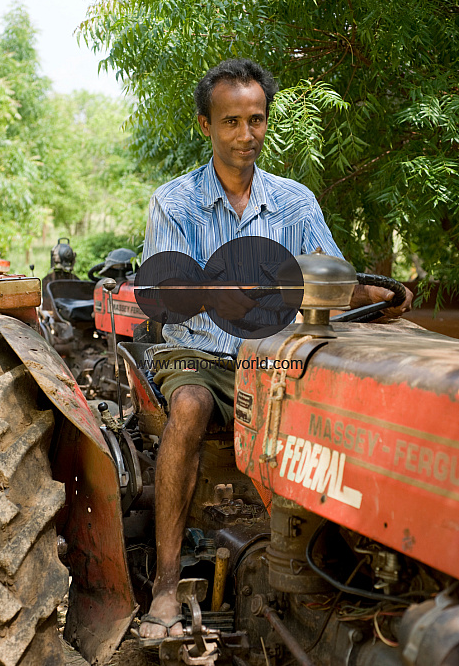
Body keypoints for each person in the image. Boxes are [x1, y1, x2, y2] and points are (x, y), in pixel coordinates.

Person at [138, 59, 413, 641]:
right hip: (199, 352)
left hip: (275, 355)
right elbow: (174, 297)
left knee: (344, 399)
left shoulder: (295, 202)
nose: (246, 135)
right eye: (231, 121)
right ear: (206, 125)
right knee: (188, 408)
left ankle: (342, 563)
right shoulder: (175, 202)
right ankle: (164, 584)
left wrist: (377, 293)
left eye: (256, 120)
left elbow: (331, 277)